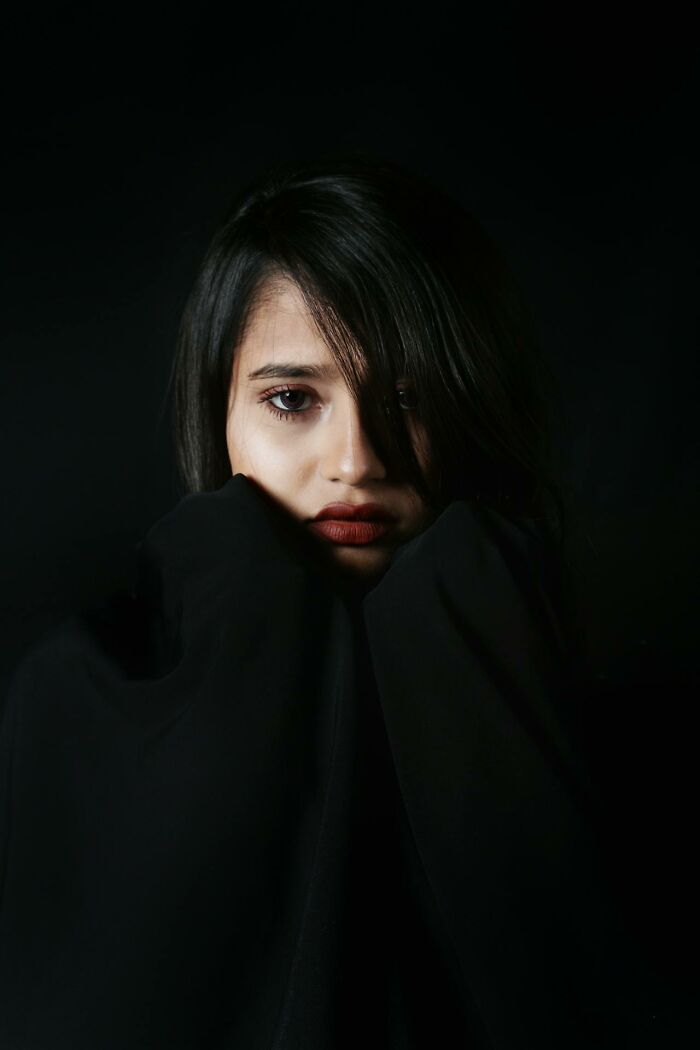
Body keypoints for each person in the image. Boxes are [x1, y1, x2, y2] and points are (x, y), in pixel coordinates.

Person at [0, 154, 670, 1048]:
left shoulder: (608, 684)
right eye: (291, 399)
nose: (356, 461)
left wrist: (458, 623)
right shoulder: (75, 696)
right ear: (219, 415)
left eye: (409, 400)